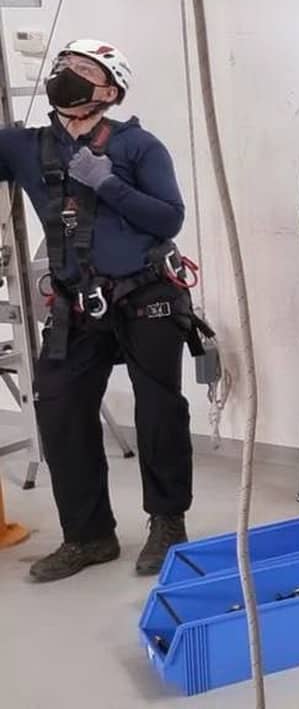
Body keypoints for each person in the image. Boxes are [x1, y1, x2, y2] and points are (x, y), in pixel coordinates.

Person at [6, 40, 204, 582]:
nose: (65, 73)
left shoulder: (139, 146)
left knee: (159, 411)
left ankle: (168, 523)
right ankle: (88, 536)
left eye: (81, 69)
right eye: (63, 65)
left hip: (146, 297)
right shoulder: (27, 147)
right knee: (61, 410)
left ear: (110, 91)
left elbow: (168, 220)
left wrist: (108, 183)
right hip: (75, 305)